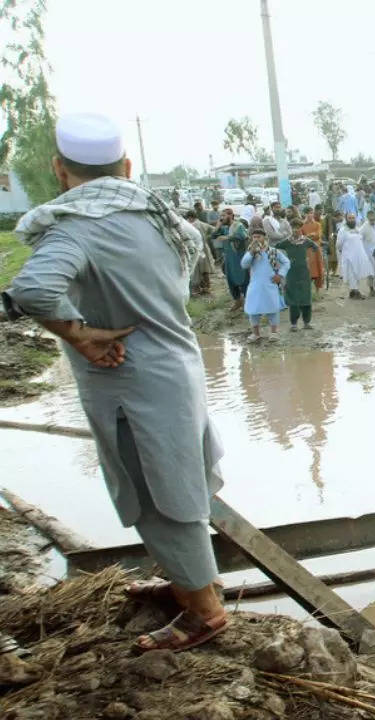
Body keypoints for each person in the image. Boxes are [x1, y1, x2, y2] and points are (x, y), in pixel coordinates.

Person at [2, 113, 227, 653]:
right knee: (181, 484)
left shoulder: (76, 227)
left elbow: (32, 290)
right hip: (179, 365)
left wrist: (78, 335)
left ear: (59, 170)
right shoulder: (160, 215)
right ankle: (191, 581)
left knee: (159, 496)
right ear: (126, 167)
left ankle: (204, 613)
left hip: (131, 380)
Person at [241, 226, 289, 341]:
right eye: (254, 237)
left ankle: (274, 333)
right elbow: (244, 265)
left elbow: (286, 262)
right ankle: (256, 334)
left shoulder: (273, 251)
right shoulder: (250, 252)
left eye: (259, 236)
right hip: (255, 286)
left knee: (272, 309)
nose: (256, 239)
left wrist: (280, 275)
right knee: (253, 310)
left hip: (270, 285)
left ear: (265, 238)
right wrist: (251, 253)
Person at [274, 226, 320, 331]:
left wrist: (309, 259)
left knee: (306, 297)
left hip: (304, 272)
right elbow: (275, 247)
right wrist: (281, 261)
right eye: (293, 228)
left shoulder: (306, 241)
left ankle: (306, 323)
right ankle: (294, 324)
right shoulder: (287, 242)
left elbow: (315, 247)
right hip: (291, 272)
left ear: (301, 229)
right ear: (291, 229)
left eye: (298, 228)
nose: (296, 231)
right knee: (293, 297)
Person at [298, 209, 325, 292]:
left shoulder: (317, 224)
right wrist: (311, 235)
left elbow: (318, 235)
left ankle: (317, 289)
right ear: (304, 214)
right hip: (306, 249)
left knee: (318, 267)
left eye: (311, 213)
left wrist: (308, 236)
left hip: (316, 248)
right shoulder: (301, 225)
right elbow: (301, 237)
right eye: (307, 213)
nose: (309, 215)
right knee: (307, 268)